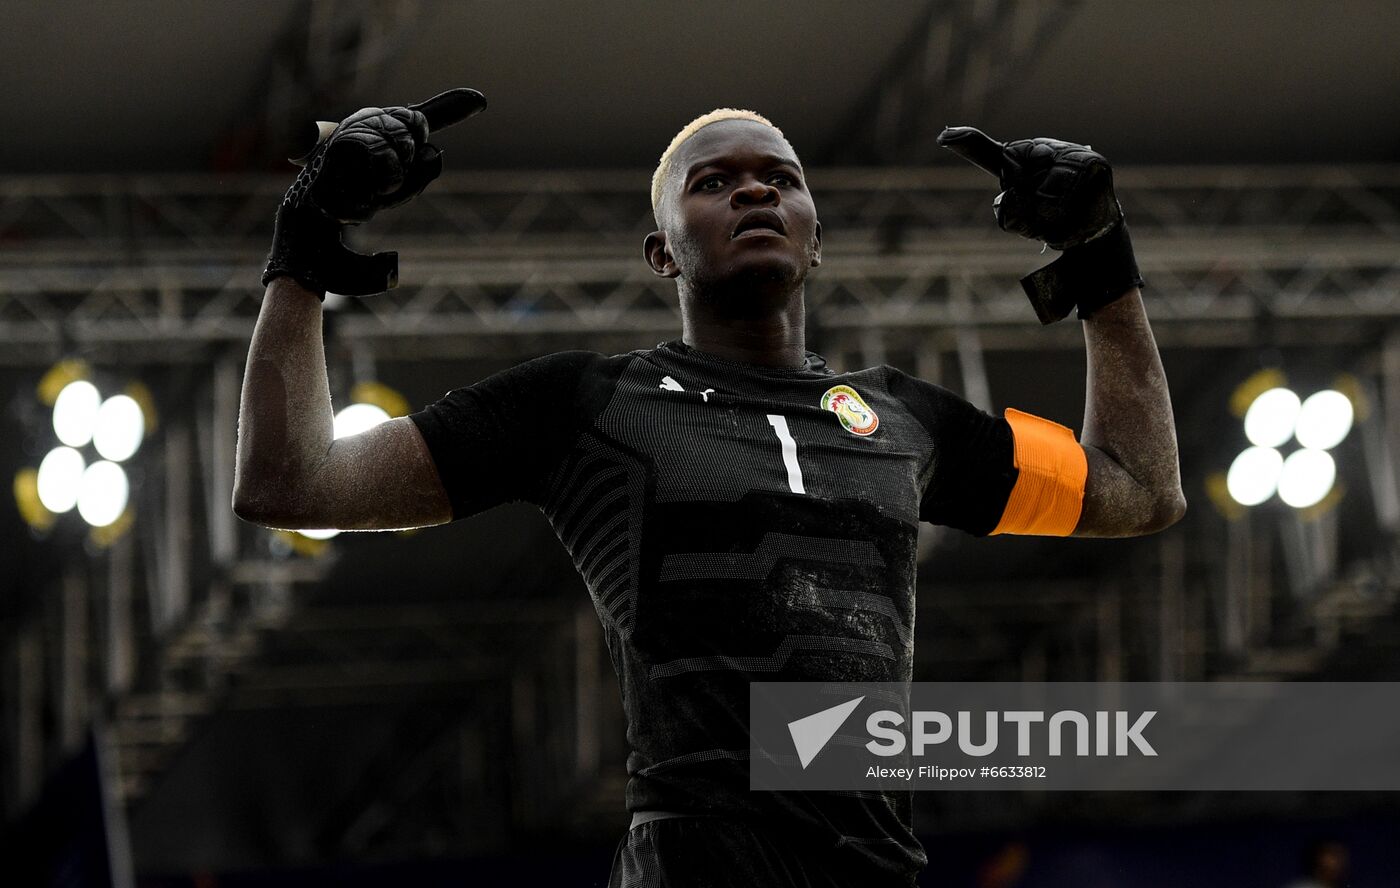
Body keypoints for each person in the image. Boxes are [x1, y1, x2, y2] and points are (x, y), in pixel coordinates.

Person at [233, 94, 1185, 887]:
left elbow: (1140, 490)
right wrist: (311, 231)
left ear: (817, 242)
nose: (756, 191)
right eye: (714, 182)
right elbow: (292, 480)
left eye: (781, 179)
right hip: (694, 861)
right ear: (662, 253)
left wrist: (1101, 255)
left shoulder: (905, 420)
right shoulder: (583, 404)